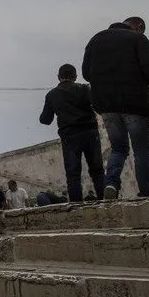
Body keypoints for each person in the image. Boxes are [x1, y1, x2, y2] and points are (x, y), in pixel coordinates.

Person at [82, 16, 149, 200]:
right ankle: (145, 192)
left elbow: (87, 73)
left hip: (107, 106)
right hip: (135, 104)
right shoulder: (138, 39)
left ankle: (111, 183)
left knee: (118, 148)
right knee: (141, 149)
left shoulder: (96, 39)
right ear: (139, 27)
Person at [39, 63, 106, 202]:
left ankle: (77, 206)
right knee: (97, 171)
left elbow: (45, 120)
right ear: (75, 77)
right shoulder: (84, 89)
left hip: (69, 136)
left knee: (73, 174)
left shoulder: (51, 95)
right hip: (90, 132)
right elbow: (98, 105)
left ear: (58, 77)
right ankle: (106, 201)